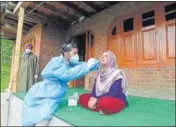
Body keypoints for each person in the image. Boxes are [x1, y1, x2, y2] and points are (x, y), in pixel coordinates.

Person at [22, 43, 100, 126]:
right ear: (66, 54)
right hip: (49, 91)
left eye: (76, 53)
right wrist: (87, 66)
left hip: (55, 91)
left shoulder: (68, 61)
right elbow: (67, 74)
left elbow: (79, 65)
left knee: (43, 111)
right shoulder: (56, 61)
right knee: (43, 114)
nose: (76, 56)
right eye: (74, 53)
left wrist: (96, 63)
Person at [79, 51, 128, 115]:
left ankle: (102, 106)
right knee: (82, 97)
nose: (102, 57)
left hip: (115, 98)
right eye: (102, 55)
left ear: (111, 60)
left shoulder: (117, 73)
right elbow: (94, 89)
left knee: (104, 103)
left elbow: (114, 92)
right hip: (100, 98)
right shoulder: (100, 73)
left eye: (106, 56)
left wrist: (97, 99)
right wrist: (93, 97)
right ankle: (101, 108)